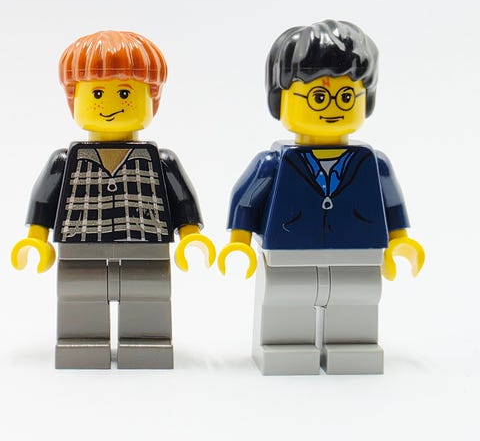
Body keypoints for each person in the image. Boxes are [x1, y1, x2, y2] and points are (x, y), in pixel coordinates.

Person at [218, 20, 424, 375]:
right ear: (280, 100)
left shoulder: (373, 164)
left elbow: (391, 205)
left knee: (357, 296)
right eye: (317, 96)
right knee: (286, 296)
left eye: (346, 97)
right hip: (288, 250)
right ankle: (285, 345)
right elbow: (245, 198)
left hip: (359, 250)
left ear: (366, 100)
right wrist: (239, 242)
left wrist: (400, 241)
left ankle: (352, 345)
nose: (332, 107)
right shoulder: (274, 162)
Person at [12, 30, 215, 369]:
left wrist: (191, 236)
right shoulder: (65, 161)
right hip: (80, 244)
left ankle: (147, 341)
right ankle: (81, 341)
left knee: (148, 291)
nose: (109, 104)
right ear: (74, 99)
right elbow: (44, 202)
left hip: (147, 244)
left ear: (152, 100)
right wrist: (36, 239)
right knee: (80, 291)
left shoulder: (161, 160)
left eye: (124, 93)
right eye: (97, 93)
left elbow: (182, 201)